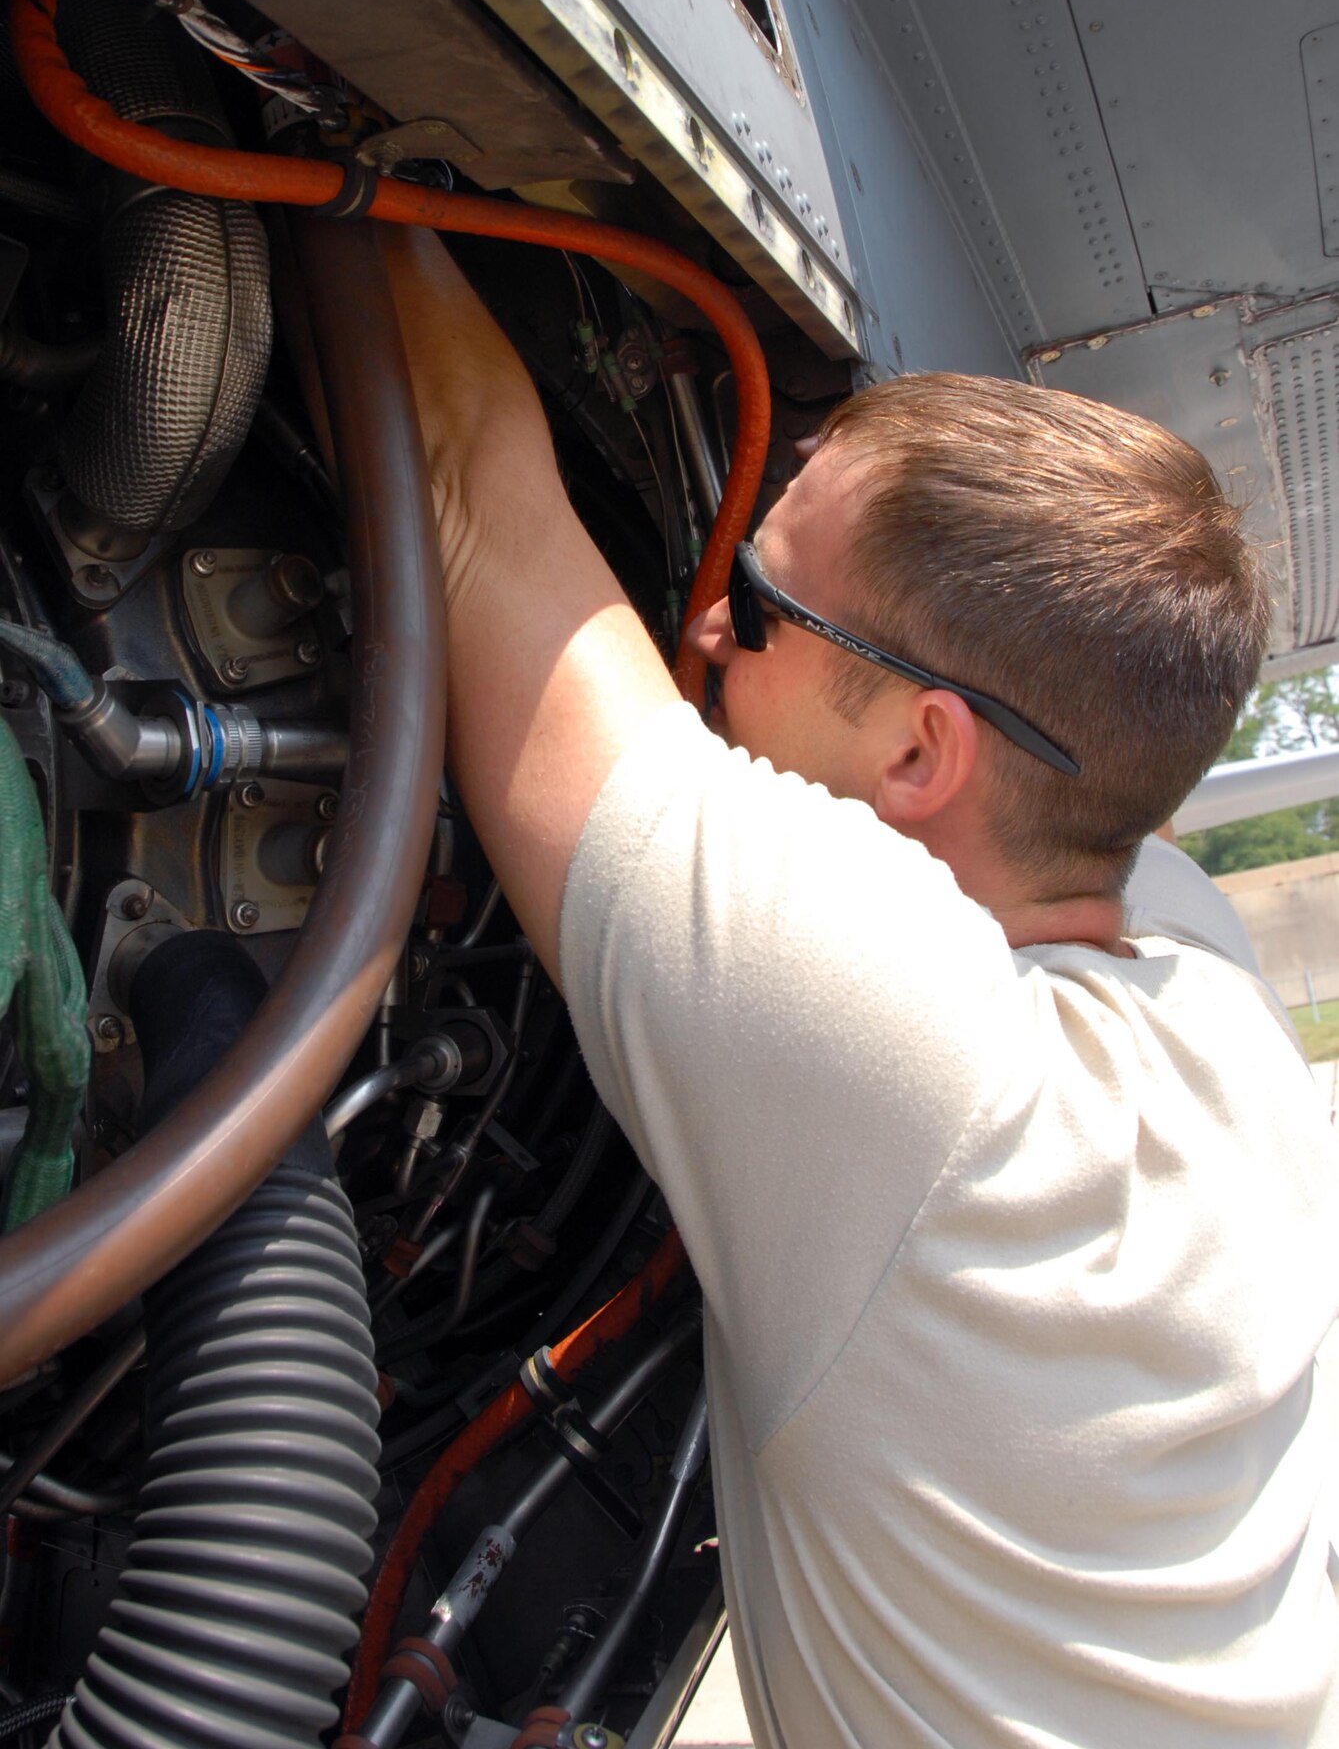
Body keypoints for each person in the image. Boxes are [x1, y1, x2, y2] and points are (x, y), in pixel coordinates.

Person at [383, 223, 1339, 1748]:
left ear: (919, 755)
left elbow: (460, 485)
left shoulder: (917, 1066)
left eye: (758, 608)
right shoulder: (1201, 975)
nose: (703, 623)